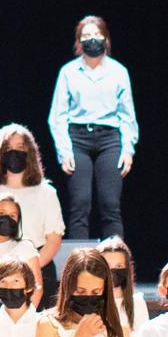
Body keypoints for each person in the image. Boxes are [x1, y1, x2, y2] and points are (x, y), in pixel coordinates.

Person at [50, 16, 137, 239]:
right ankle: (77, 266)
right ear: (79, 41)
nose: (92, 40)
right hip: (78, 138)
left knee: (110, 204)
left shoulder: (119, 71)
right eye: (86, 36)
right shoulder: (68, 72)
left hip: (109, 139)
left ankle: (116, 265)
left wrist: (128, 149)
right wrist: (64, 151)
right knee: (80, 204)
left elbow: (127, 115)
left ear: (105, 38)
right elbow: (57, 116)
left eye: (96, 34)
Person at [0, 125, 65, 277]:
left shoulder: (47, 193)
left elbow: (53, 240)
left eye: (20, 147)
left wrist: (29, 268)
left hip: (36, 270)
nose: (14, 153)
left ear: (29, 153)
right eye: (8, 148)